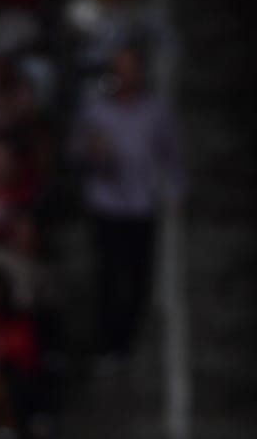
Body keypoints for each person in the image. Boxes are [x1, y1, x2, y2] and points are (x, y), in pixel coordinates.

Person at [72, 46, 181, 360]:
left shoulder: (156, 110)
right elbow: (75, 151)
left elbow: (172, 154)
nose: (126, 74)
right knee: (108, 275)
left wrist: (176, 190)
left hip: (141, 204)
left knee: (138, 276)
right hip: (105, 204)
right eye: (120, 68)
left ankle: (129, 337)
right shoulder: (95, 110)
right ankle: (109, 342)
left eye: (132, 67)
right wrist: (92, 152)